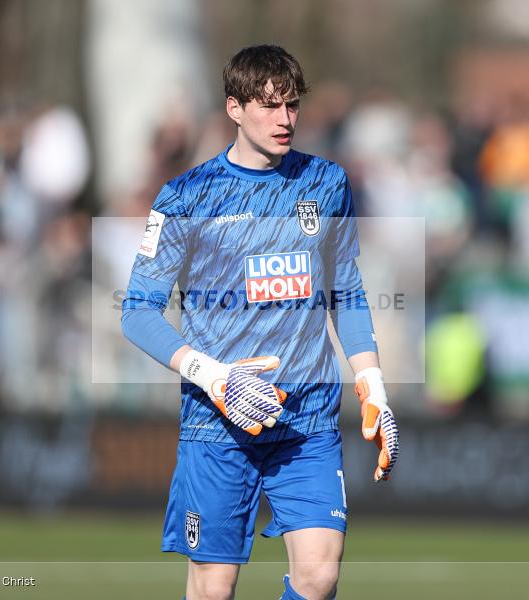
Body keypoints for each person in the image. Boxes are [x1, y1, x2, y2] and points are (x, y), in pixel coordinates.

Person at [122, 45, 400, 600]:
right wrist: (215, 377)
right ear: (233, 108)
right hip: (217, 424)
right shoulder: (186, 196)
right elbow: (137, 312)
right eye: (269, 106)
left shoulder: (326, 184)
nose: (284, 120)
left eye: (292, 106)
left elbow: (345, 292)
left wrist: (373, 386)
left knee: (319, 576)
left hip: (307, 420)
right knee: (214, 589)